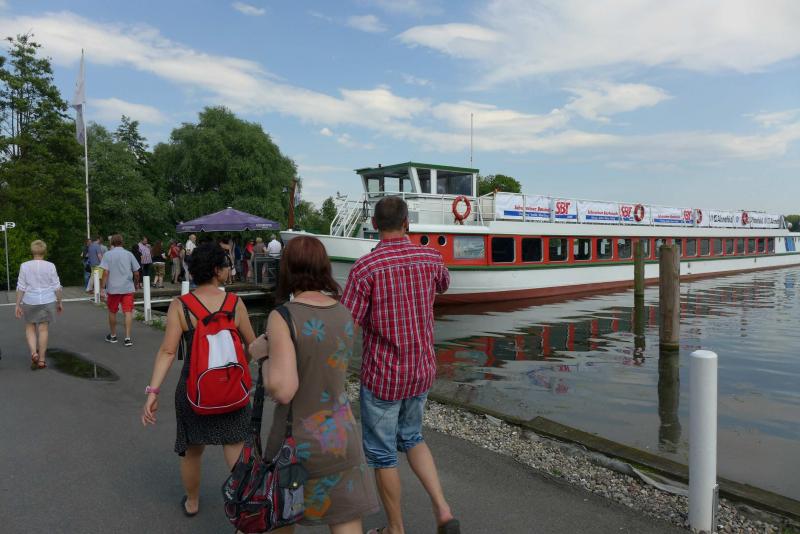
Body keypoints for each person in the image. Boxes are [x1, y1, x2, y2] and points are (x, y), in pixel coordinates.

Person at [341, 197, 459, 534]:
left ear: (374, 225)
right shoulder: (431, 258)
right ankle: (443, 510)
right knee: (413, 437)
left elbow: (348, 325)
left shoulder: (365, 268)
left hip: (384, 376)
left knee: (383, 455)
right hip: (421, 371)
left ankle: (396, 529)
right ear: (407, 223)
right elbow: (444, 284)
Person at [254, 235, 378, 533]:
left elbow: (283, 389)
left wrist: (263, 356)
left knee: (279, 516)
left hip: (297, 442)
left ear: (287, 269)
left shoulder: (283, 316)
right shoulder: (343, 312)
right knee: (345, 519)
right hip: (341, 436)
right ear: (324, 267)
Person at [141, 242, 256, 518]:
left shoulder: (180, 306)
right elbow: (252, 345)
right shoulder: (235, 303)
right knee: (235, 445)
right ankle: (246, 504)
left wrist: (153, 391)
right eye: (226, 266)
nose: (229, 270)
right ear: (216, 270)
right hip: (233, 388)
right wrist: (239, 366)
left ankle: (192, 502)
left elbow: (168, 351)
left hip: (194, 390)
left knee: (192, 451)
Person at [15, 240, 63, 370]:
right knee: (43, 330)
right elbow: (57, 287)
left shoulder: (24, 266)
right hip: (47, 300)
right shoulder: (50, 266)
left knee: (30, 327)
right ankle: (41, 360)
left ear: (32, 251)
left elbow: (21, 287)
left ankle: (33, 353)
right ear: (44, 251)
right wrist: (59, 302)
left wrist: (17, 304)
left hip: (30, 300)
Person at [100, 234, 141, 347]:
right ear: (122, 242)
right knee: (128, 312)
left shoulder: (107, 255)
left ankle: (113, 336)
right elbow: (136, 272)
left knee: (112, 311)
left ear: (111, 243)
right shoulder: (129, 254)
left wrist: (102, 288)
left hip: (113, 288)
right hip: (127, 287)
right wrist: (136, 283)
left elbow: (105, 272)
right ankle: (127, 338)